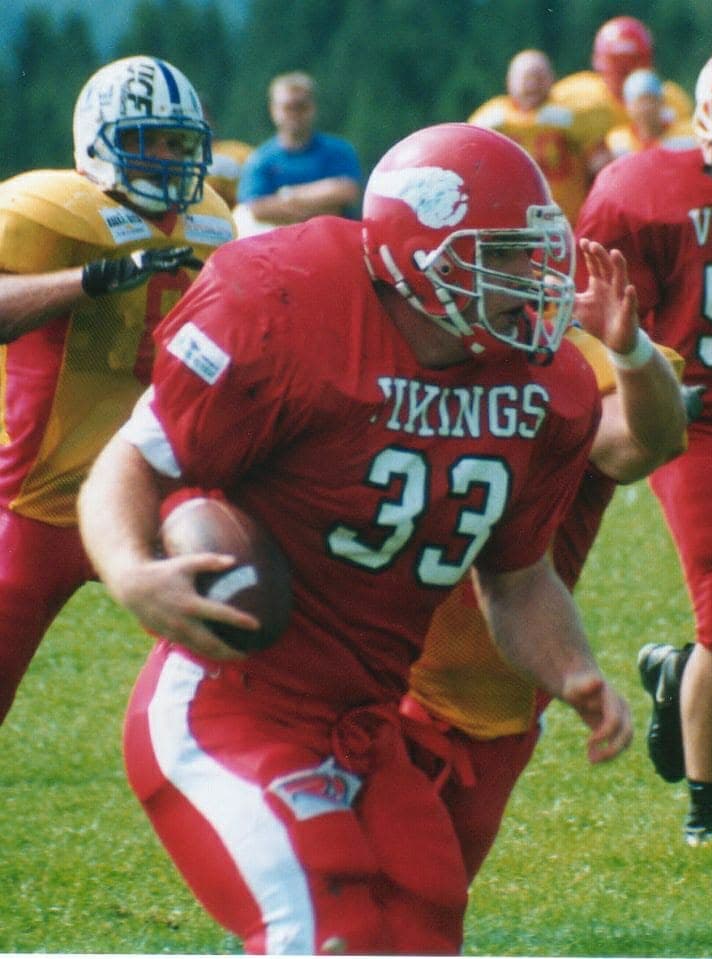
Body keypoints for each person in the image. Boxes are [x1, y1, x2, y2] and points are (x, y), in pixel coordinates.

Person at [78, 123, 633, 955]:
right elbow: (136, 456)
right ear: (421, 256)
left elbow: (515, 580)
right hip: (229, 708)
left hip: (366, 727)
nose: (536, 278)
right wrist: (129, 569)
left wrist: (574, 670)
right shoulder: (286, 306)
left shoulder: (543, 386)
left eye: (534, 251)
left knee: (424, 926)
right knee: (319, 931)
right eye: (507, 254)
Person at [408, 255, 687, 882]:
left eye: (518, 252)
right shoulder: (395, 341)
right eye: (493, 252)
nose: (509, 275)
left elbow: (640, 444)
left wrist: (631, 351)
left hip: (508, 677)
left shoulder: (572, 357)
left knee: (433, 901)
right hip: (375, 668)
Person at [0, 55, 234, 728]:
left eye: (179, 143)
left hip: (149, 488)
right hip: (33, 498)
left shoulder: (208, 220)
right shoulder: (49, 212)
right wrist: (91, 280)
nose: (166, 159)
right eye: (147, 141)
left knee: (246, 641)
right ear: (99, 140)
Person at [575, 36, 712, 847]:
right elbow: (601, 322)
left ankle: (675, 672)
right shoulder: (645, 189)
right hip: (703, 424)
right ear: (704, 119)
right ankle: (708, 807)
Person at [468, 49, 601, 224]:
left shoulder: (573, 113)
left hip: (567, 222)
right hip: (513, 223)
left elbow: (601, 165)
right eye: (526, 78)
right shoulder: (490, 118)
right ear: (510, 81)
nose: (532, 85)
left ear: (552, 78)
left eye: (539, 77)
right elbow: (468, 165)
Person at [551, 15, 693, 174]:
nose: (625, 72)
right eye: (616, 64)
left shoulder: (672, 98)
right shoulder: (576, 93)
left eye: (633, 62)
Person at [233, 70, 362, 236]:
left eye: (301, 106)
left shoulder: (338, 150)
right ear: (274, 110)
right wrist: (322, 205)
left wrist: (287, 195)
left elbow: (347, 192)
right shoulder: (260, 159)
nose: (295, 114)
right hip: (280, 247)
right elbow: (256, 209)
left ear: (312, 108)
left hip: (334, 242)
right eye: (288, 107)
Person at [605, 69, 696, 159]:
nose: (646, 108)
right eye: (640, 102)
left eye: (651, 101)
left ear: (662, 102)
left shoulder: (688, 134)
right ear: (628, 106)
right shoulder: (616, 142)